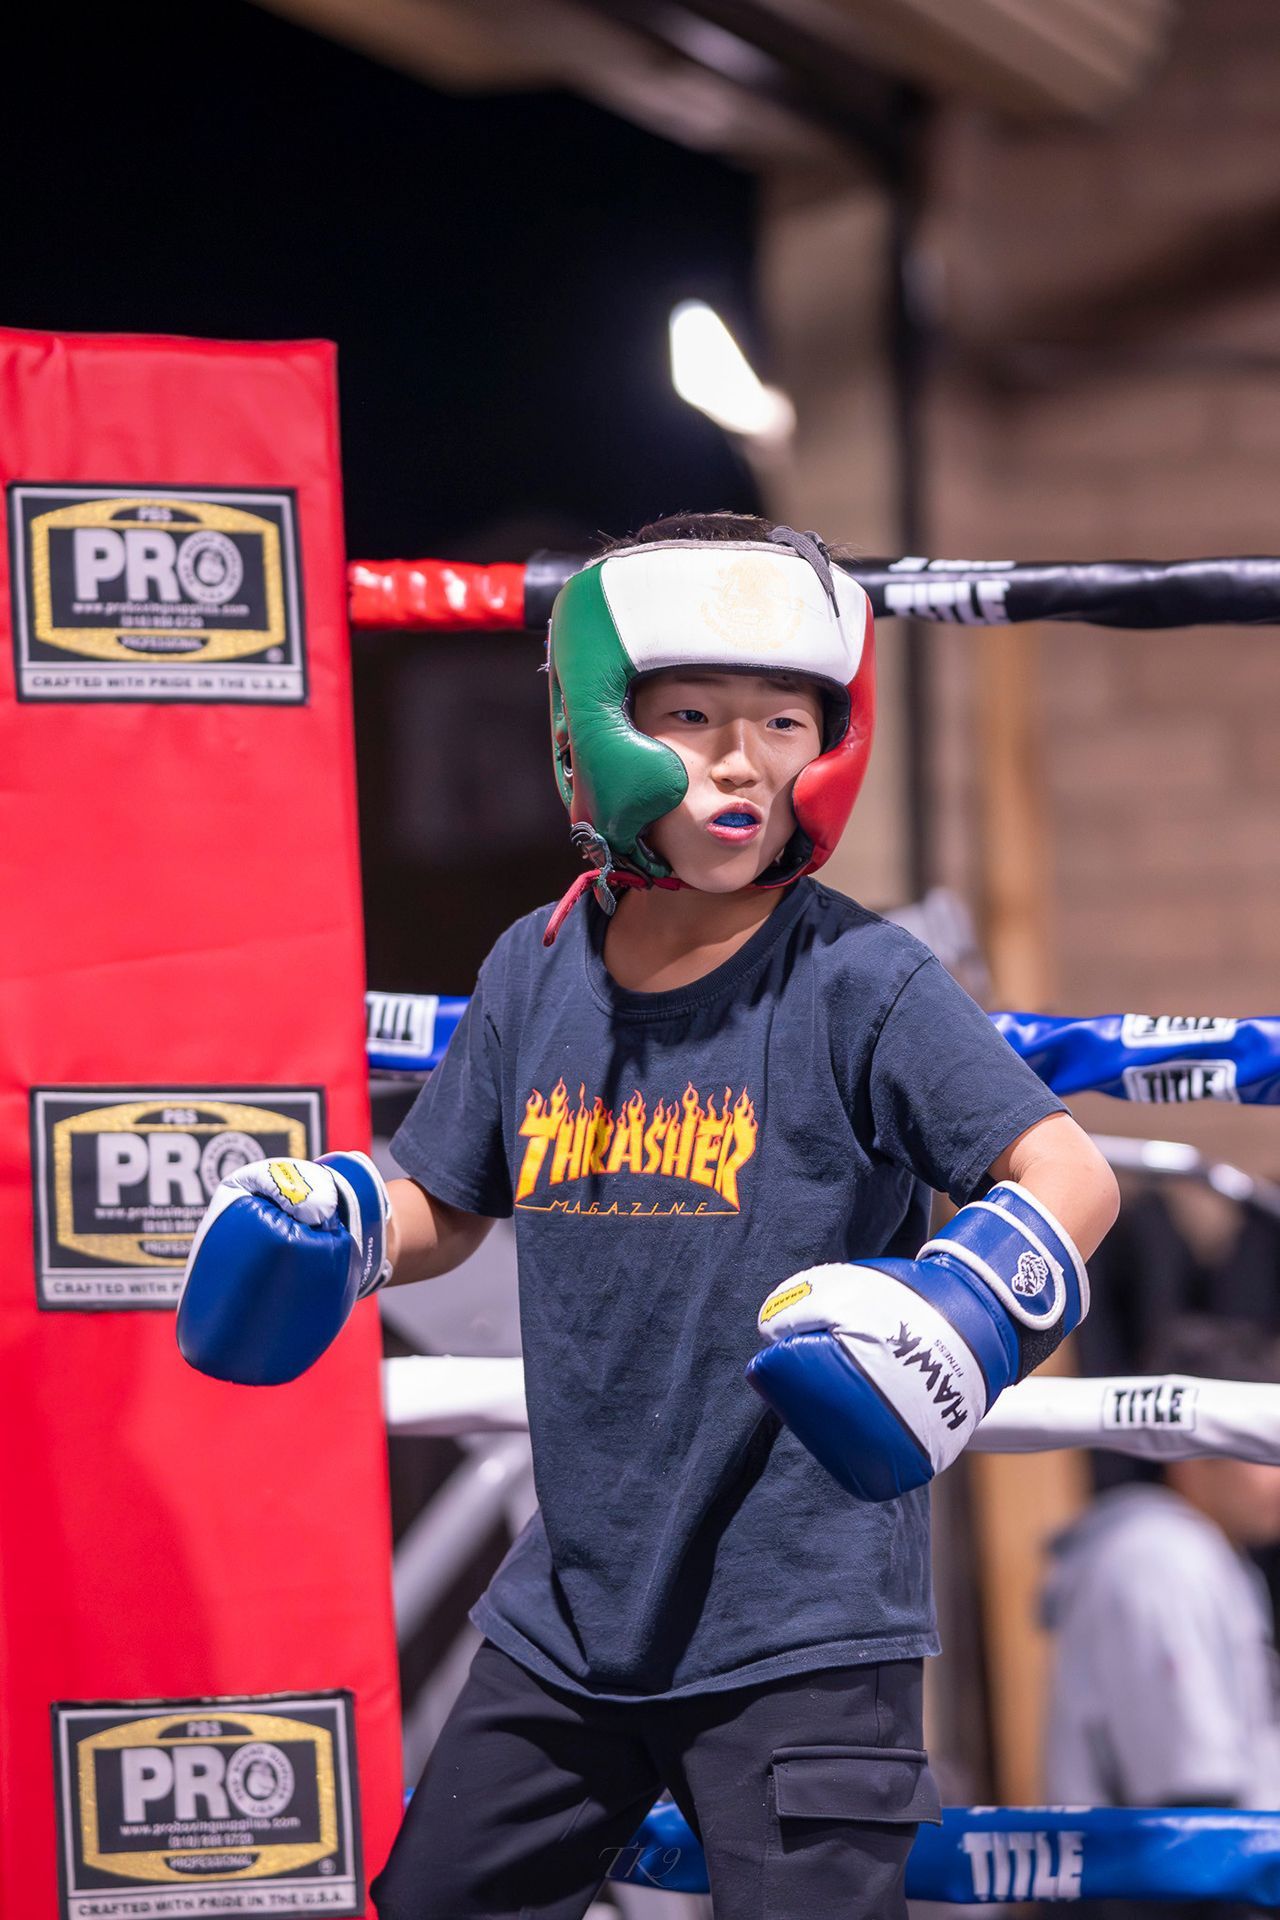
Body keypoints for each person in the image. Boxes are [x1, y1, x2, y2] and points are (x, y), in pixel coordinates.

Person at [177, 513, 1119, 1919]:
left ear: (833, 739)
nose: (741, 760)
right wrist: (340, 1215)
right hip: (570, 1613)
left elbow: (1070, 1175)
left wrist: (961, 1305)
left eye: (782, 719)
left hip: (801, 1623)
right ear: (595, 729)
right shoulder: (533, 965)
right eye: (689, 716)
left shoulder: (863, 979)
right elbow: (447, 1198)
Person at [1042, 1316, 1280, 1903]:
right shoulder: (1163, 1558)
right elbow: (1192, 1805)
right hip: (1159, 1894)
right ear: (1191, 1448)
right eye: (1259, 1445)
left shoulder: (1207, 1553)